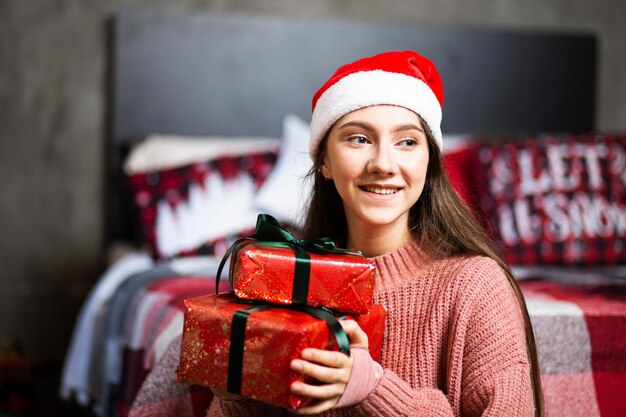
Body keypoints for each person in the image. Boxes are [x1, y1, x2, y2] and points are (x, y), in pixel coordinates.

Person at [130, 50, 544, 416]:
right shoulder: (280, 283)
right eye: (359, 139)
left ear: (429, 164)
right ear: (324, 163)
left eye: (407, 142)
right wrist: (240, 398)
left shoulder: (475, 285)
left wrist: (372, 388)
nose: (383, 163)